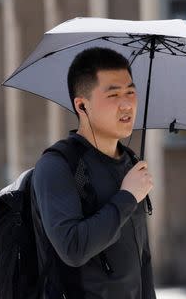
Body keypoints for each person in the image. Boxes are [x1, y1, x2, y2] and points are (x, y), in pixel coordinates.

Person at [31, 47, 156, 299]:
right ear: (81, 105)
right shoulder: (59, 165)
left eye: (131, 92)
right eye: (113, 94)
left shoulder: (130, 163)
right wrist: (128, 197)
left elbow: (141, 259)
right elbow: (73, 248)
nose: (127, 104)